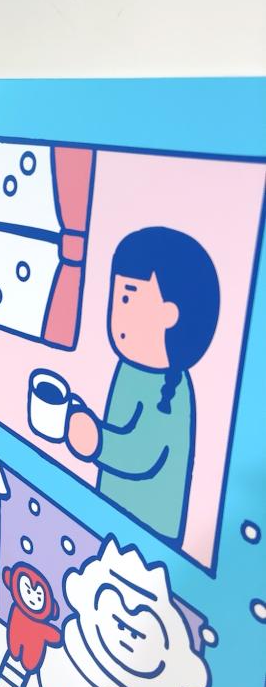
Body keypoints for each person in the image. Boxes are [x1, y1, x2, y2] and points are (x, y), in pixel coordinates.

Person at [66, 227, 219, 546]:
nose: (116, 311)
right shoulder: (130, 367)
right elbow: (122, 425)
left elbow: (143, 452)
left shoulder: (172, 388)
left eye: (127, 297)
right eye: (116, 297)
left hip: (151, 531)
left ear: (169, 315)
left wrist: (97, 443)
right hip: (111, 507)